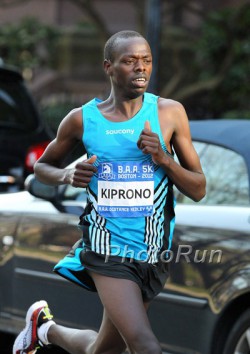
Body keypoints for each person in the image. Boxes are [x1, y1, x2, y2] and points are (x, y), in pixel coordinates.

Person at [13, 30, 206, 354]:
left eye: (146, 60)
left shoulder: (169, 113)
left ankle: (45, 329)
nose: (140, 68)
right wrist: (67, 174)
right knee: (145, 345)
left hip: (154, 247)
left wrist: (163, 158)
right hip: (106, 245)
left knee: (103, 349)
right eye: (129, 61)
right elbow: (42, 167)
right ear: (109, 67)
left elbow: (198, 188)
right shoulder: (81, 119)